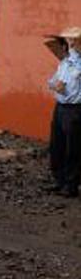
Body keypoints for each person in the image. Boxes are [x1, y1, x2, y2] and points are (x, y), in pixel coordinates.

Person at [47, 27, 81, 198]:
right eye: (69, 39)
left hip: (76, 109)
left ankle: (71, 185)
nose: (71, 42)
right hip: (60, 107)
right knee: (56, 145)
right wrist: (56, 85)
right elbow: (51, 82)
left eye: (74, 39)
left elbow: (63, 85)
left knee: (73, 148)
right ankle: (59, 181)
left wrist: (59, 86)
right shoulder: (64, 62)